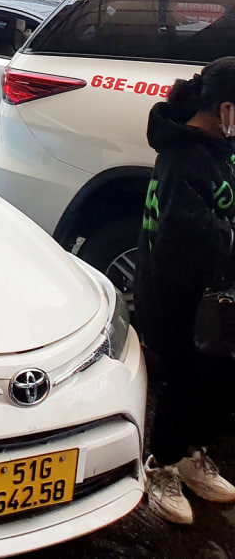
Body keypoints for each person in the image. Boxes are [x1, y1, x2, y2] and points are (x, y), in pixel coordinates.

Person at [136, 59, 235, 524]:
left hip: (218, 297)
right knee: (187, 381)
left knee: (217, 383)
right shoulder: (182, 156)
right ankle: (163, 463)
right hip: (181, 300)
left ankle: (195, 454)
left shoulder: (221, 149)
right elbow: (180, 235)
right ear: (224, 109)